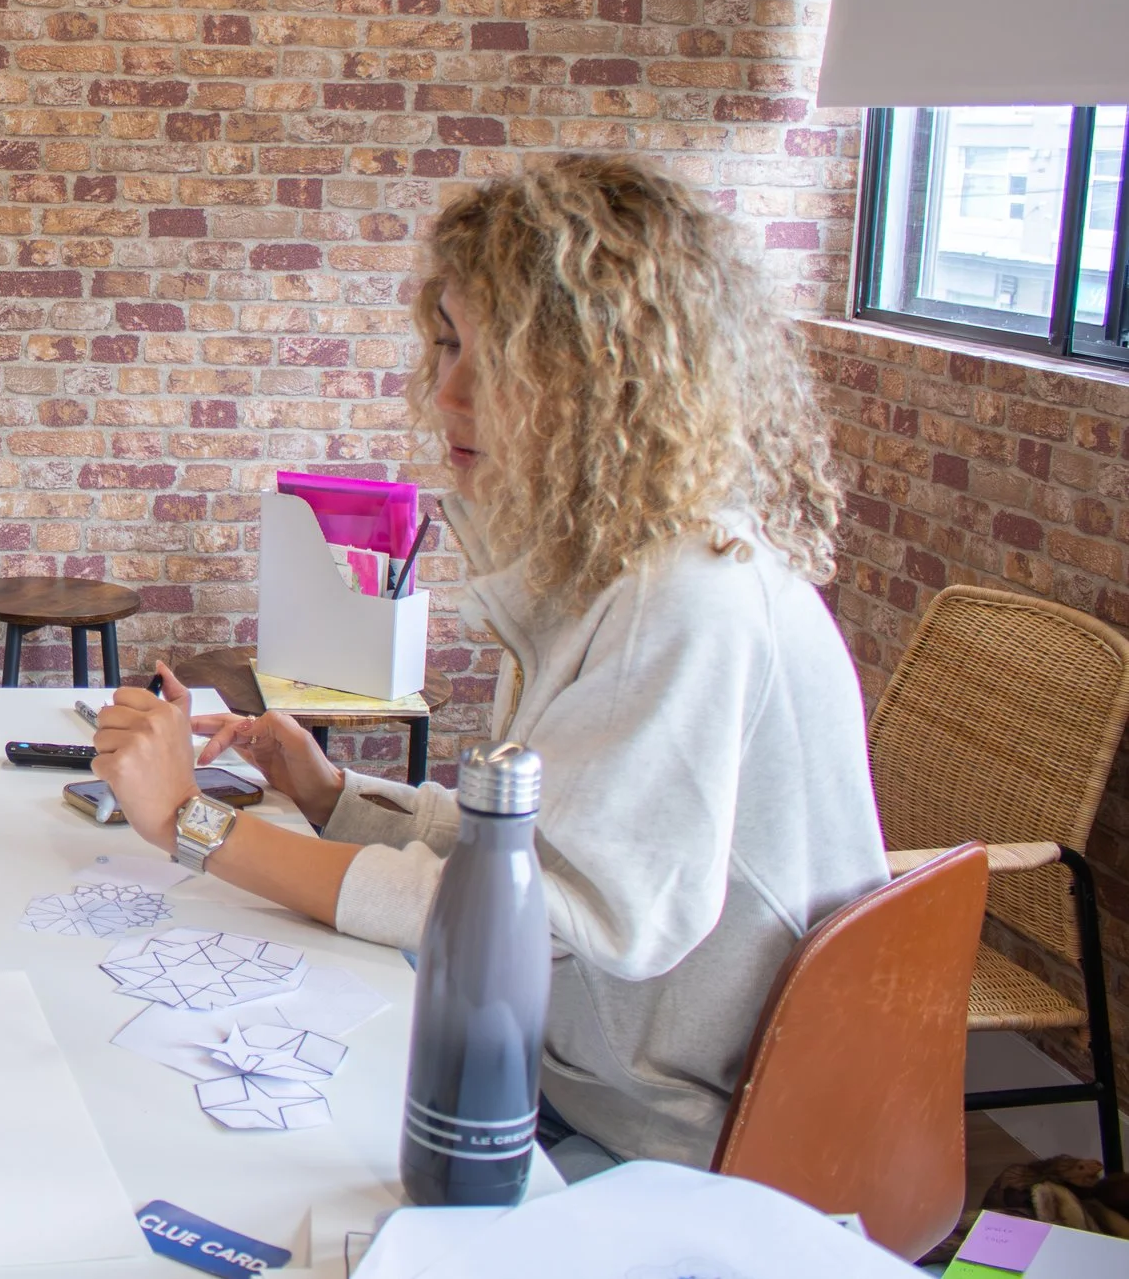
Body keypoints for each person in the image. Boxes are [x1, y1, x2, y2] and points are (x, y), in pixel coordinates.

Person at [91, 155, 889, 1172]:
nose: (449, 392)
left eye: (499, 359)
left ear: (609, 379)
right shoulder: (612, 565)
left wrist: (189, 821)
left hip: (671, 1149)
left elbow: (518, 919)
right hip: (574, 1081)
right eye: (447, 344)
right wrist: (334, 793)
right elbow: (529, 855)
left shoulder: (687, 601)